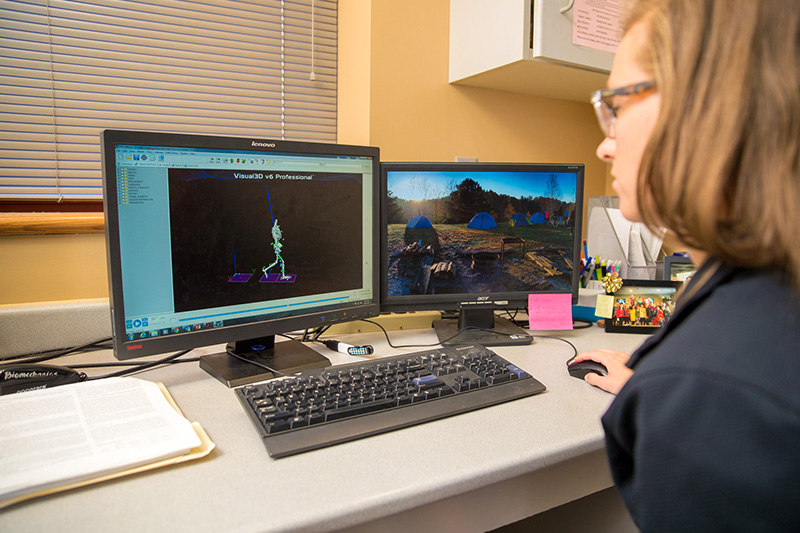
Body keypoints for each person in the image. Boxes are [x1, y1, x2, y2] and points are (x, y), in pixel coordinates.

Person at [570, 0, 800, 530]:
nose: (605, 146)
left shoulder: (714, 393)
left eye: (617, 106)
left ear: (710, 112)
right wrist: (659, 389)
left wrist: (683, 399)